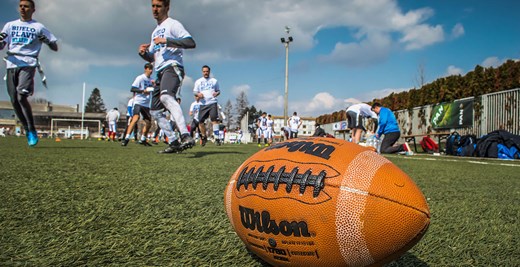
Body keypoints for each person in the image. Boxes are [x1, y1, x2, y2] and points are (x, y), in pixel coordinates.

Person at [139, 0, 196, 153]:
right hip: (160, 72)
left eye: (158, 6)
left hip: (173, 67)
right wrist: (143, 54)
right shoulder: (154, 32)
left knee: (166, 97)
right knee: (155, 112)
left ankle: (185, 135)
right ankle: (174, 142)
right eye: (153, 6)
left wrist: (167, 40)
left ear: (167, 7)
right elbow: (153, 57)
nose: (155, 9)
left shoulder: (173, 24)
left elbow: (191, 42)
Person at [1, 0, 58, 147]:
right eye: (20, 6)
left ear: (33, 9)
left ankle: (31, 129)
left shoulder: (38, 27)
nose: (22, 9)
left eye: (26, 6)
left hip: (28, 63)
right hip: (11, 63)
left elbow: (55, 46)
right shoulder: (10, 25)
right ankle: (27, 130)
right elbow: (2, 46)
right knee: (14, 100)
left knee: (21, 96)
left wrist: (46, 41)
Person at [121, 63, 154, 147]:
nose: (151, 71)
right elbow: (132, 88)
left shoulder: (152, 80)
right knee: (136, 118)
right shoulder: (140, 78)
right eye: (149, 69)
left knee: (149, 123)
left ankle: (143, 139)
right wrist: (143, 91)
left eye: (152, 69)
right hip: (138, 102)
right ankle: (126, 138)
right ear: (145, 69)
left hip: (146, 104)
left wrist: (155, 85)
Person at [193, 65, 220, 146]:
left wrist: (216, 93)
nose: (205, 73)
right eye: (204, 71)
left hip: (212, 102)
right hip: (203, 104)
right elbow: (194, 92)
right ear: (202, 72)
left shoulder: (214, 81)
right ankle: (204, 137)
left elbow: (218, 91)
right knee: (200, 121)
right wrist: (198, 94)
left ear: (209, 72)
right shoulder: (198, 81)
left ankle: (217, 138)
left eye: (207, 71)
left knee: (214, 119)